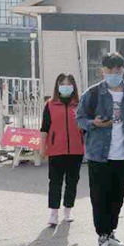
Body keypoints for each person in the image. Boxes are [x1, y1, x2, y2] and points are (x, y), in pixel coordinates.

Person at [76, 52, 124, 246]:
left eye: (118, 69)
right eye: (110, 69)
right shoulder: (93, 93)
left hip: (123, 154)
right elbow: (80, 119)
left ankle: (111, 232)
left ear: (123, 70)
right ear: (103, 71)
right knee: (99, 197)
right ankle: (102, 236)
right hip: (99, 154)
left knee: (117, 197)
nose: (114, 73)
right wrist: (93, 123)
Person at [40, 73, 84, 226]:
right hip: (56, 150)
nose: (66, 87)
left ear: (74, 87)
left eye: (68, 84)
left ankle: (68, 210)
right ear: (57, 86)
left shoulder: (79, 104)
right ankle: (53, 213)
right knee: (55, 182)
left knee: (72, 181)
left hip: (76, 150)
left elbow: (86, 127)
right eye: (62, 84)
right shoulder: (50, 104)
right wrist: (42, 147)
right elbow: (44, 128)